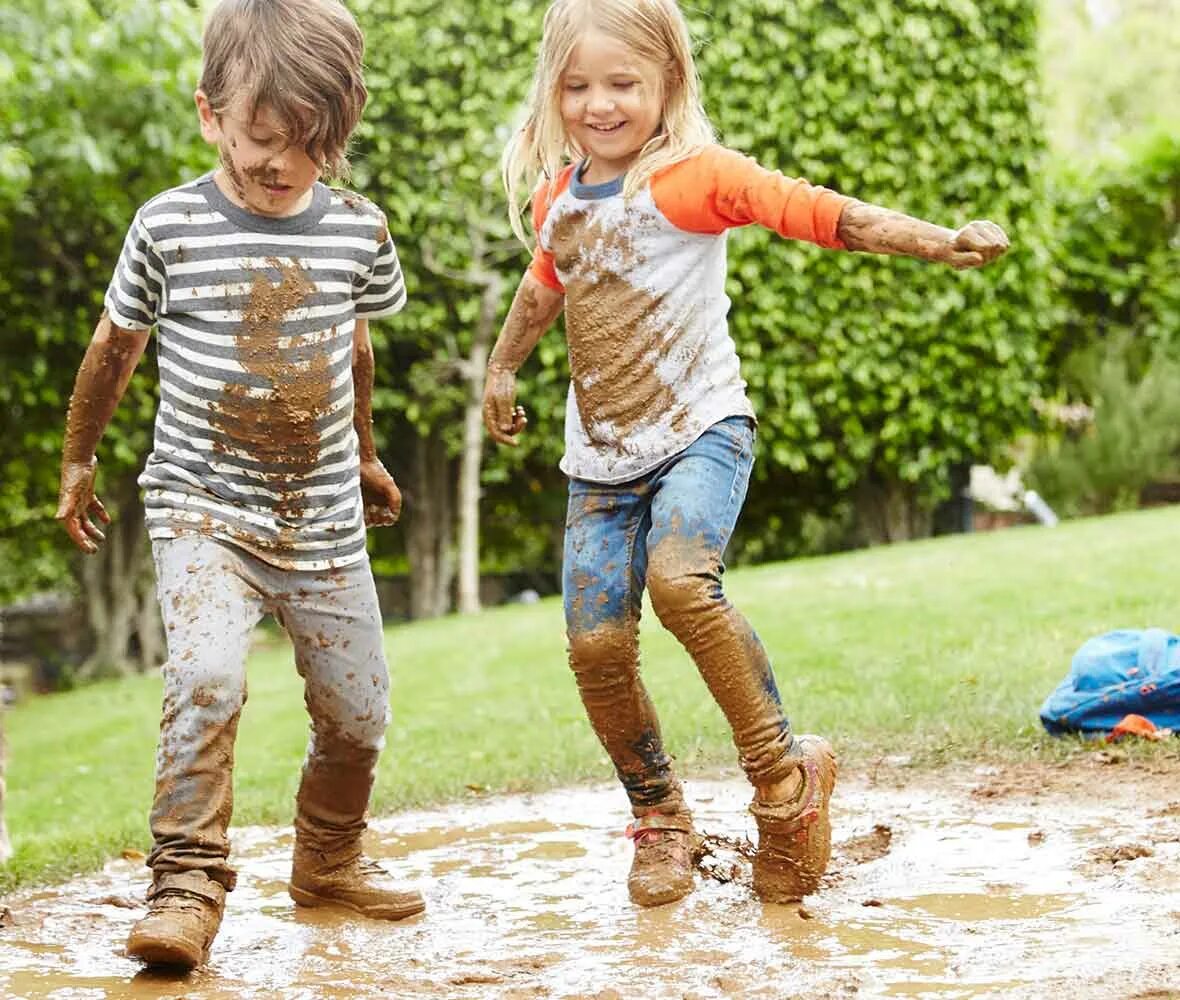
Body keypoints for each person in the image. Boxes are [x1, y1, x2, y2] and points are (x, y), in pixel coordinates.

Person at [483, 0, 1009, 908]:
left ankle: (785, 781)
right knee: (594, 644)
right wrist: (500, 369)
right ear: (552, 90)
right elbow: (543, 285)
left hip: (701, 430)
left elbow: (814, 212)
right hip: (602, 459)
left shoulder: (694, 178)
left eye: (623, 84)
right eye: (578, 86)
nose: (600, 105)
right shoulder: (556, 199)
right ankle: (660, 819)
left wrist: (939, 242)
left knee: (682, 580)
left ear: (668, 85)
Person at [55, 0, 423, 970]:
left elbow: (354, 345)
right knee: (207, 676)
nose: (281, 165)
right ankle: (185, 881)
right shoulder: (167, 226)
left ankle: (329, 860)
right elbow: (114, 347)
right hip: (200, 507)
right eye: (262, 138)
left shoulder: (355, 231)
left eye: (306, 145)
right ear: (210, 113)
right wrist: (78, 458)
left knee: (358, 713)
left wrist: (366, 450)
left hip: (323, 521)